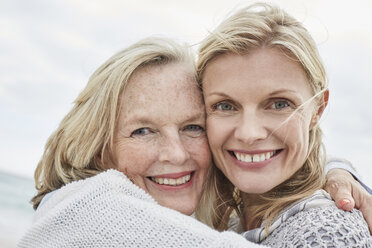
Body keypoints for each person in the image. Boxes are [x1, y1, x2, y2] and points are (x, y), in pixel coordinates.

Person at [19, 32, 370, 248]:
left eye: (193, 127)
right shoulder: (91, 212)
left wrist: (334, 169)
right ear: (97, 146)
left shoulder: (222, 224)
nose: (175, 153)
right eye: (143, 130)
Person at [196, 3, 372, 247]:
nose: (249, 133)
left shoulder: (324, 235)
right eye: (225, 106)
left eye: (279, 104)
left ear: (318, 109)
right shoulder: (226, 220)